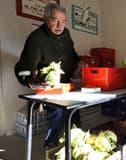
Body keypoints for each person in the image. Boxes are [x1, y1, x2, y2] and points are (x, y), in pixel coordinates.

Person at [14, 3, 80, 149]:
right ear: (46, 19)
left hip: (67, 84)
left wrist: (80, 64)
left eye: (63, 21)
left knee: (75, 109)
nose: (59, 25)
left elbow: (71, 54)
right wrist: (33, 81)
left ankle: (76, 140)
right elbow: (23, 68)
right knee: (57, 110)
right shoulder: (36, 38)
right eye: (54, 20)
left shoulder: (66, 33)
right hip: (49, 87)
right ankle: (50, 144)